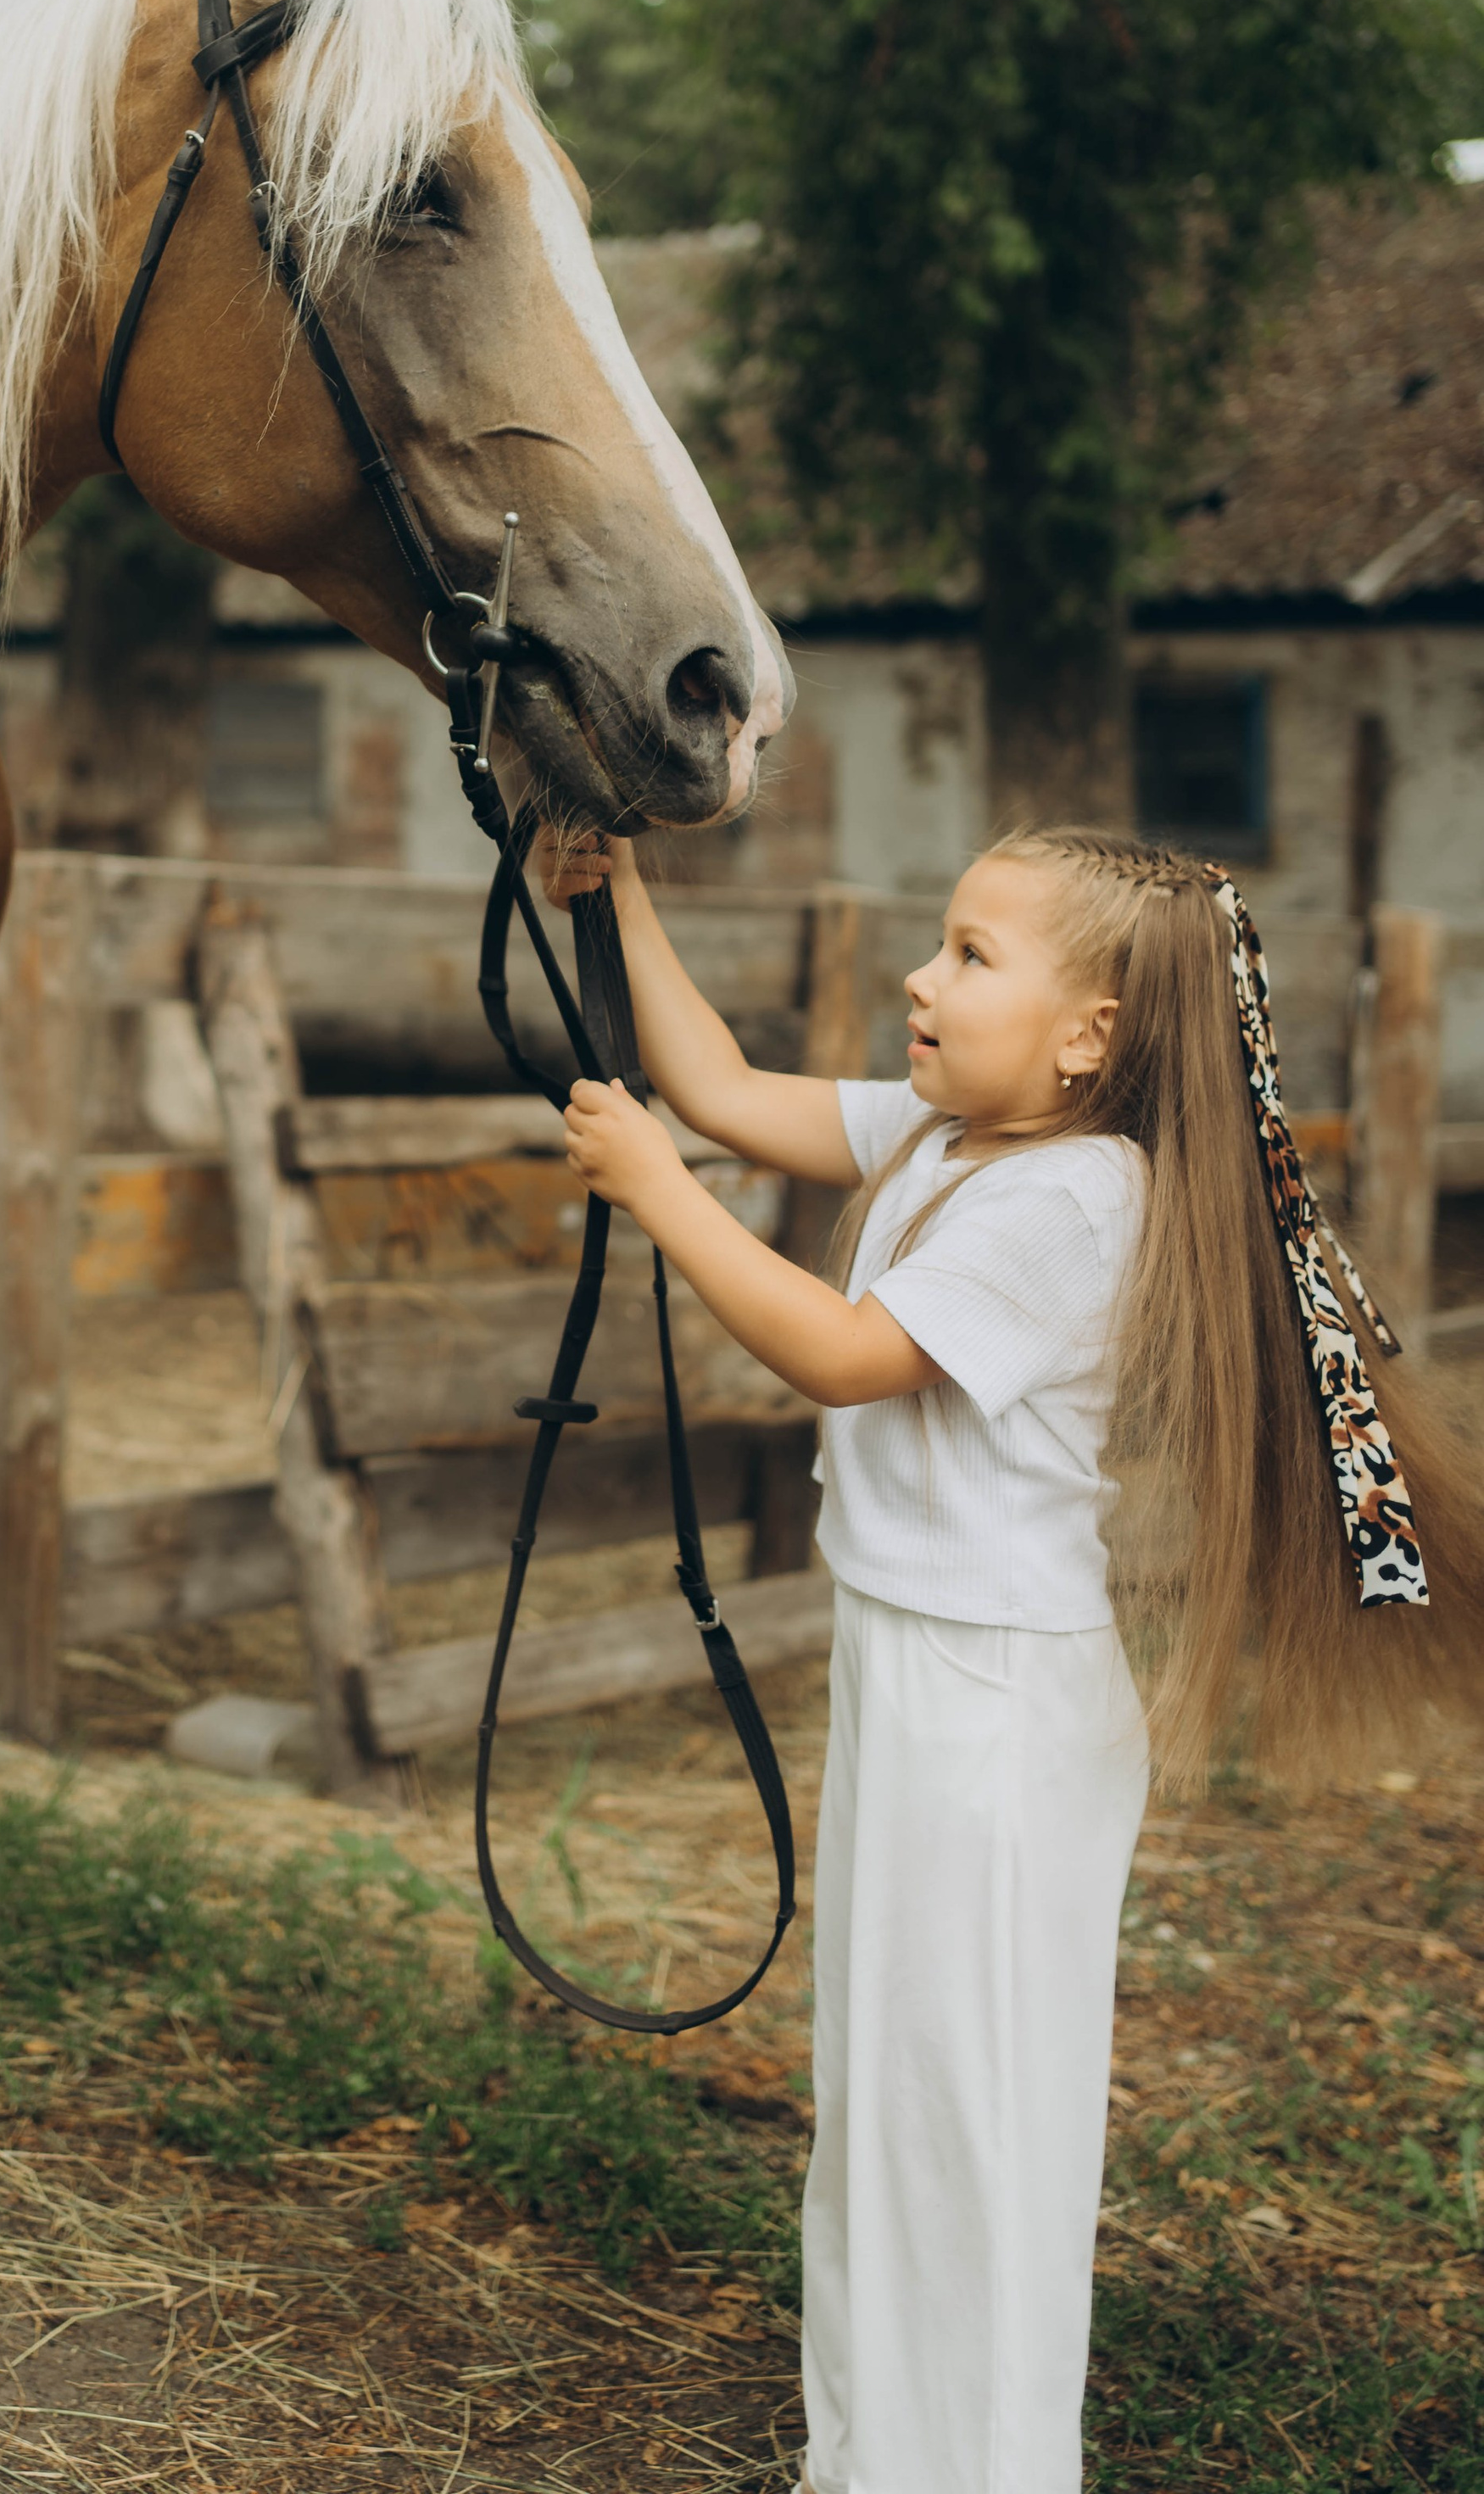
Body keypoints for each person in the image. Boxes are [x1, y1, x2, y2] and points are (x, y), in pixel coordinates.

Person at [548, 822, 1484, 2494]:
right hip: (919, 1684)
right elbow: (708, 1078)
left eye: (971, 955)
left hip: (990, 1717)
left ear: (1088, 1035)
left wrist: (658, 1194)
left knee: (963, 2132)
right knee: (885, 2113)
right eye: (939, 937)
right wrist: (611, 882)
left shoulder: (1073, 1198)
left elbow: (842, 1354)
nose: (920, 975)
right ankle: (875, 2460)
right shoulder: (947, 1131)